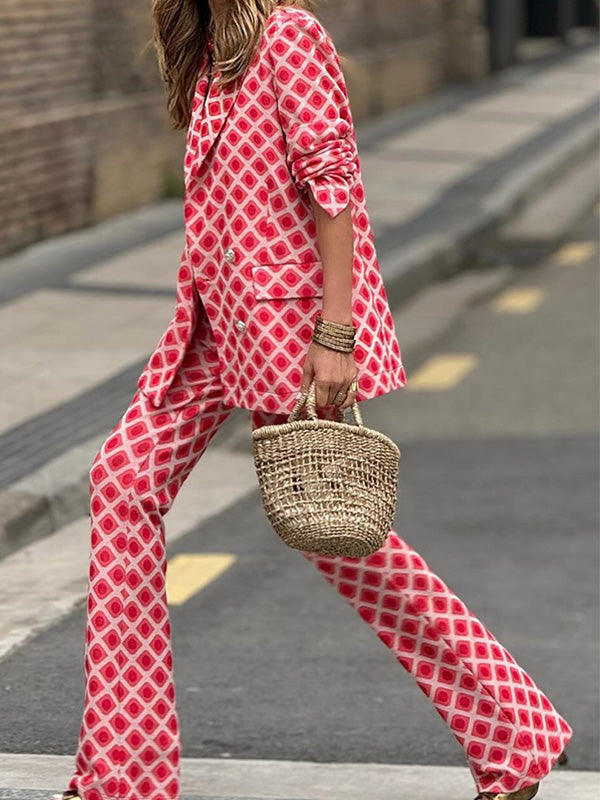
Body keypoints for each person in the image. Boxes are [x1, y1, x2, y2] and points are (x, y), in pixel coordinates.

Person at [54, 1, 572, 798]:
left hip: (287, 332)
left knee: (346, 542)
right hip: (209, 328)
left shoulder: (289, 36)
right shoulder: (208, 50)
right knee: (122, 483)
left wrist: (336, 333)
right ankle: (125, 775)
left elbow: (335, 188)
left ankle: (513, 731)